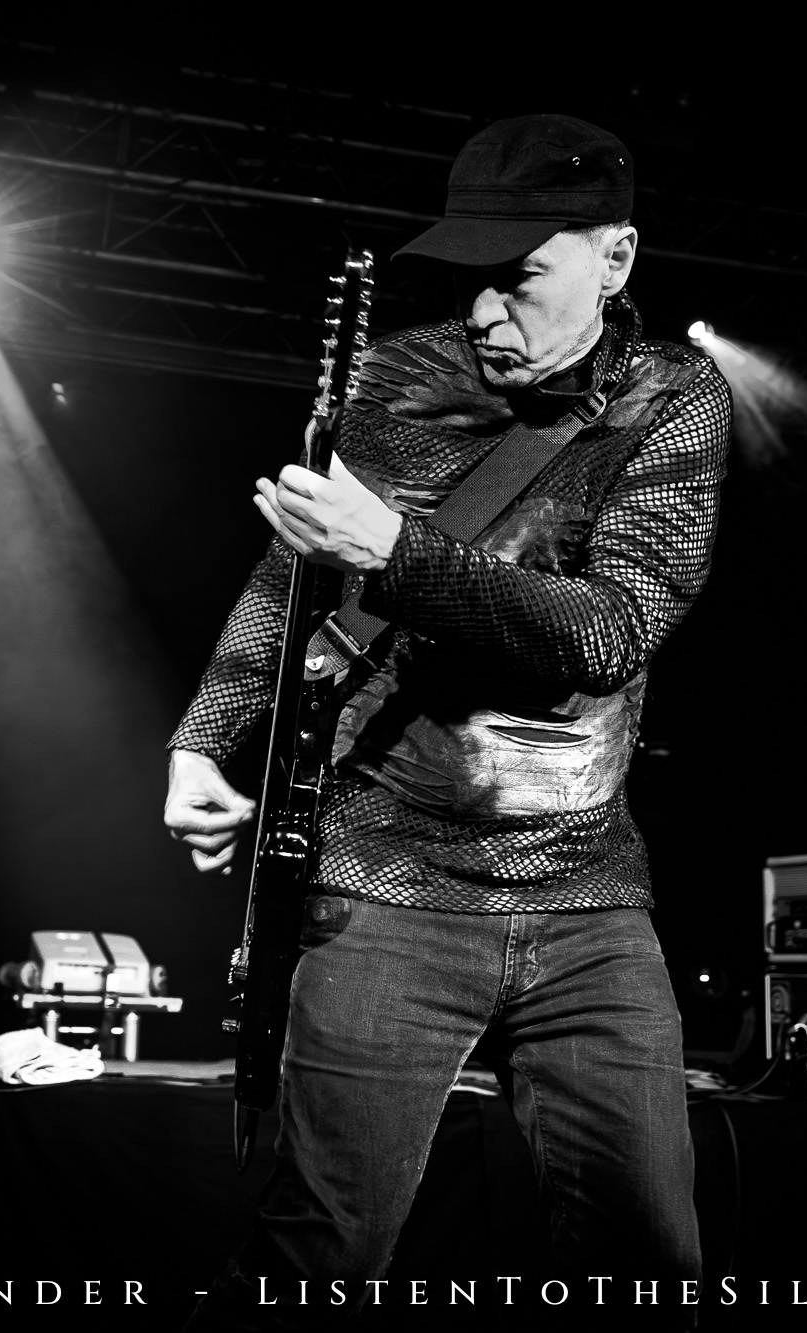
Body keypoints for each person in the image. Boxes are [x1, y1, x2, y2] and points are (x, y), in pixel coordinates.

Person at [163, 113, 732, 1328]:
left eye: (521, 276)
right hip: (386, 890)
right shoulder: (396, 380)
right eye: (472, 276)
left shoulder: (673, 401)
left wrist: (400, 551)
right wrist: (201, 740)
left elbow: (609, 631)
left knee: (652, 1263)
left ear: (613, 259)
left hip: (586, 905)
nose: (485, 311)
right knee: (315, 1255)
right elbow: (291, 578)